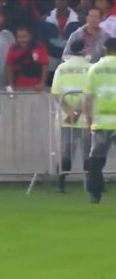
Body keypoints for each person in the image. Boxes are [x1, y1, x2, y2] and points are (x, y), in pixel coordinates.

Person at [51, 39, 92, 193]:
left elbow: (56, 92)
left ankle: (61, 184)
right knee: (88, 152)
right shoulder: (90, 68)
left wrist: (70, 112)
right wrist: (79, 111)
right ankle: (90, 185)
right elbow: (90, 94)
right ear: (84, 50)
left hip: (66, 117)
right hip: (86, 116)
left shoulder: (62, 68)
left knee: (66, 152)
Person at [84, 38, 116, 204]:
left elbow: (88, 98)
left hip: (101, 121)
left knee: (96, 160)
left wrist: (88, 120)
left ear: (105, 49)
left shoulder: (94, 69)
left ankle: (95, 194)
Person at [5, 26, 49, 91]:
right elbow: (8, 66)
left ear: (30, 36)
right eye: (19, 37)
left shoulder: (39, 47)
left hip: (36, 85)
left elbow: (45, 65)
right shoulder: (13, 48)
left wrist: (42, 83)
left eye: (25, 37)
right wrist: (10, 84)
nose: (22, 40)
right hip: (18, 85)